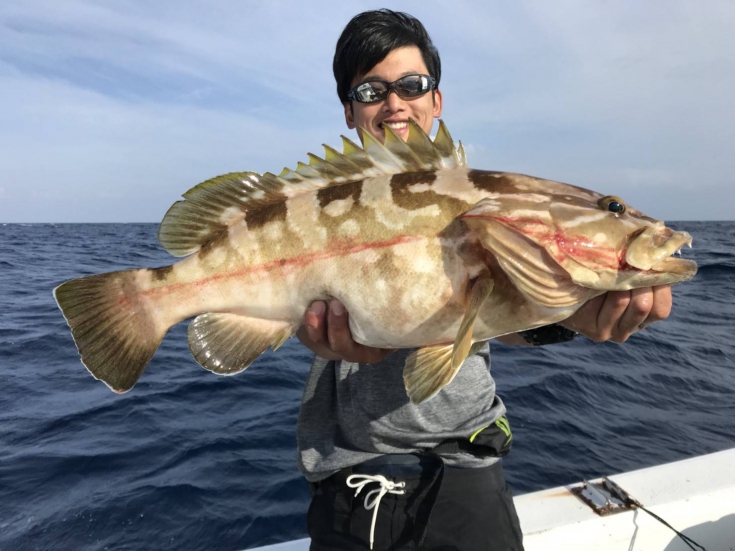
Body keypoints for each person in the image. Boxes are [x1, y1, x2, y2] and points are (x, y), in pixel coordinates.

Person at [295, 9, 673, 551]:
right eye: (372, 90)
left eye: (411, 85)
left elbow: (494, 310)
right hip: (351, 482)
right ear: (350, 111)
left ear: (436, 100)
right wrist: (300, 326)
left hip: (467, 476)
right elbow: (284, 307)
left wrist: (572, 315)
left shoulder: (482, 199)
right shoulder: (313, 208)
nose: (395, 102)